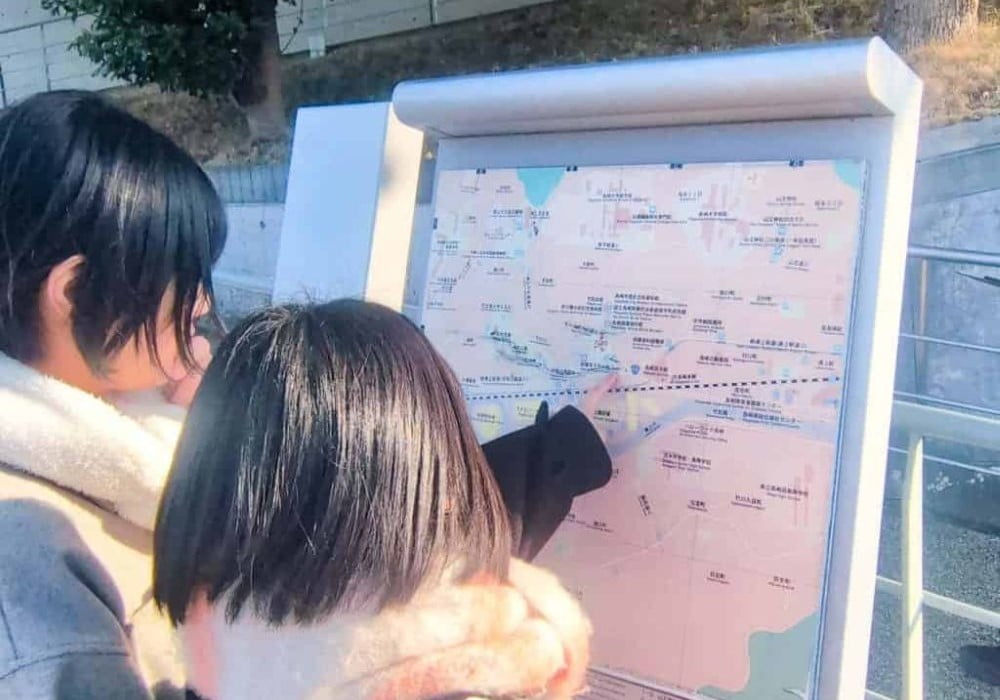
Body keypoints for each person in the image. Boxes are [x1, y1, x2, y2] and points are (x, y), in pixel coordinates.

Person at [153, 300, 594, 700]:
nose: (454, 495)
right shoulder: (460, 670)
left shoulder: (211, 634)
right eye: (440, 469)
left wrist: (562, 451)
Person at [0, 90, 227, 698]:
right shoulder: (23, 552)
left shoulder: (138, 427)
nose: (202, 302)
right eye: (180, 276)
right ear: (74, 291)